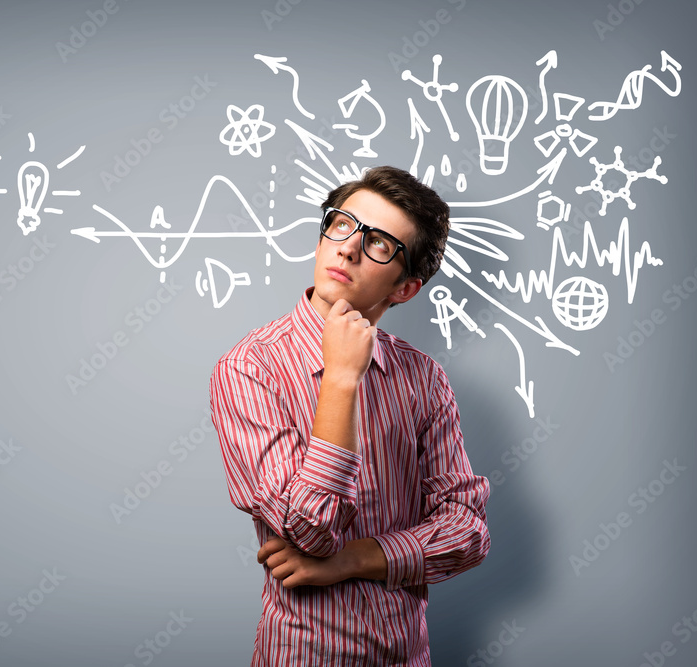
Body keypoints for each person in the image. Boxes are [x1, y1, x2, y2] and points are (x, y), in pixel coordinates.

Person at [210, 166, 490, 666]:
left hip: (410, 656)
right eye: (343, 224)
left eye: (380, 243)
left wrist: (354, 560)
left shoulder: (424, 378)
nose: (349, 248)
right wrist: (341, 380)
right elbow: (309, 532)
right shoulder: (249, 369)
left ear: (404, 289)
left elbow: (466, 531)